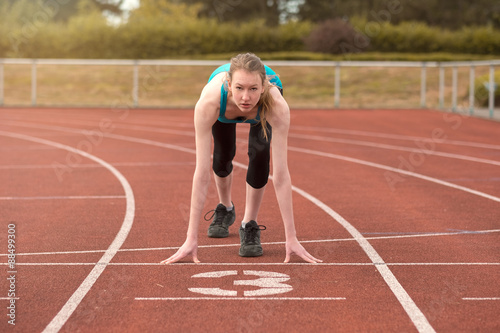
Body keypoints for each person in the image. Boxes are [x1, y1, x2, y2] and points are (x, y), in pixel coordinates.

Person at [161, 53, 322, 264]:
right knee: (222, 155)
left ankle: (249, 223)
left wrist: (291, 238)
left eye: (253, 89)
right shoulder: (209, 103)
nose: (246, 97)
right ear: (228, 84)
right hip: (222, 106)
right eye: (239, 88)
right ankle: (225, 208)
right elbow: (201, 172)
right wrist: (191, 238)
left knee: (260, 155)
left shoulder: (276, 107)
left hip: (263, 108)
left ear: (264, 87)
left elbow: (281, 175)